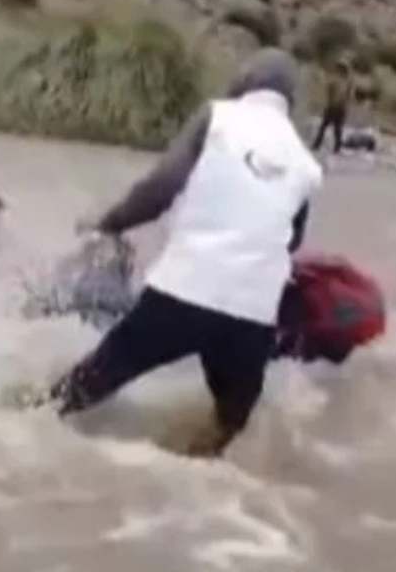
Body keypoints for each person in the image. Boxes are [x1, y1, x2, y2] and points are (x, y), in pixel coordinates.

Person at [54, 48, 323, 457]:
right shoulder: (306, 166)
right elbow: (291, 243)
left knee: (79, 391)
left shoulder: (217, 117)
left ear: (245, 79)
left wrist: (108, 223)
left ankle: (1, 423)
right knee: (226, 429)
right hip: (250, 320)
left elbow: (161, 188)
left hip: (182, 294)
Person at [312, 59, 354, 154]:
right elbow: (349, 97)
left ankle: (318, 145)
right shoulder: (347, 82)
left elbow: (329, 90)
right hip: (338, 108)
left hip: (335, 107)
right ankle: (335, 148)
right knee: (334, 129)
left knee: (326, 128)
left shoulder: (338, 80)